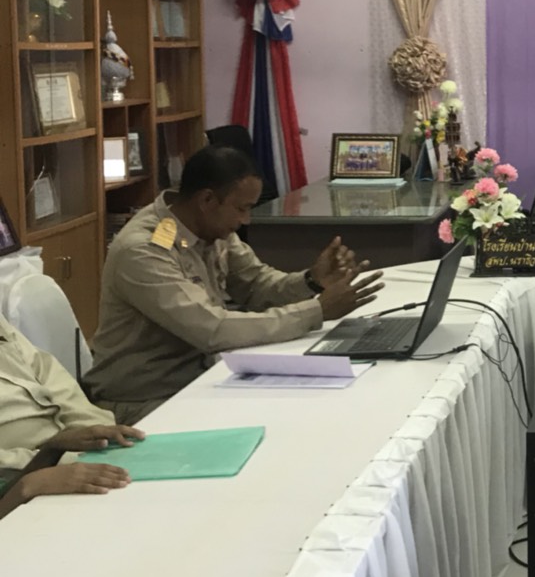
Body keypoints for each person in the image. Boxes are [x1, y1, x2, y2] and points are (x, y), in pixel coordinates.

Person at [85, 146, 384, 423]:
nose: (246, 220)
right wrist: (316, 311)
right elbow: (213, 330)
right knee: (281, 420)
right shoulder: (143, 250)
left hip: (203, 380)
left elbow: (258, 286)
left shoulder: (211, 230)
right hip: (144, 402)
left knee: (315, 405)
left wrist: (311, 281)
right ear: (207, 200)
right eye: (242, 208)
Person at [0, 314, 138, 517]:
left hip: (54, 457)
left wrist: (95, 435)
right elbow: (19, 482)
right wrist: (50, 465)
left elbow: (50, 374)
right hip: (19, 475)